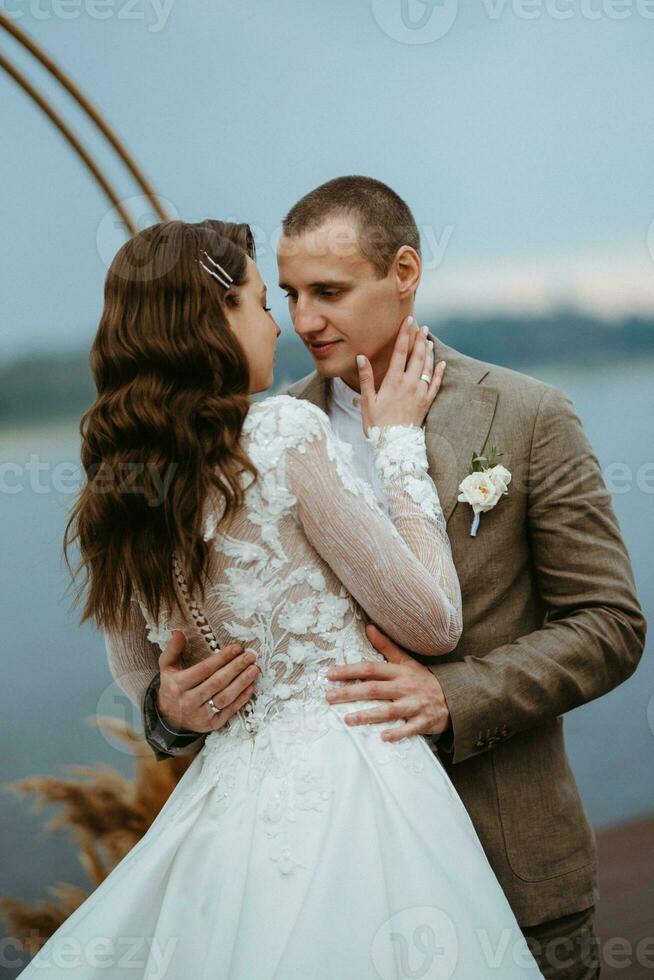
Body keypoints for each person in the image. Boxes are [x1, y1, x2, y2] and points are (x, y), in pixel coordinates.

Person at [141, 178, 646, 980]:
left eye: (330, 292)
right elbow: (186, 650)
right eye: (291, 294)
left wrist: (456, 697)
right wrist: (169, 713)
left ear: (404, 271)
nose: (305, 320)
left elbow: (611, 626)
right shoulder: (257, 437)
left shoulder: (526, 415)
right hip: (320, 894)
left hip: (514, 874)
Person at [24, 218, 544, 978]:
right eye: (263, 303)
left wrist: (172, 710)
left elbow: (143, 683)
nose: (282, 325)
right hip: (356, 787)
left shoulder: (117, 491)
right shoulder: (279, 434)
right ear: (213, 324)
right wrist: (397, 444)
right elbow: (435, 622)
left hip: (226, 811)